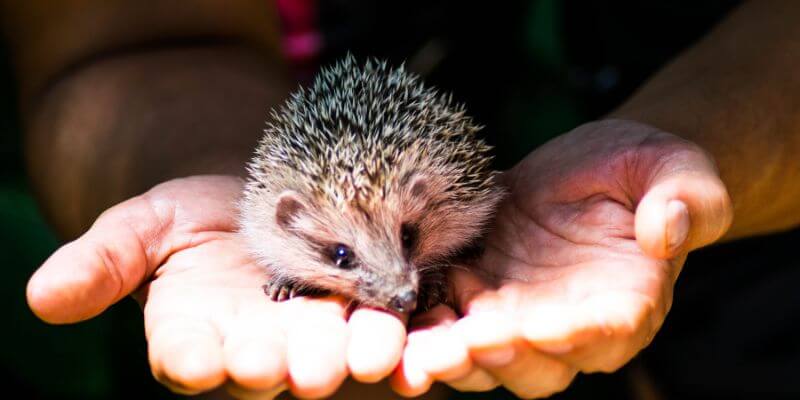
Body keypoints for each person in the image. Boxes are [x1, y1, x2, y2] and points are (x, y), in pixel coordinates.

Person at [8, 0, 800, 398]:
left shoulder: (442, 198)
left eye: (412, 237)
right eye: (340, 259)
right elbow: (131, 40)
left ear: (428, 199)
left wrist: (690, 134)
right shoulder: (275, 221)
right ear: (284, 226)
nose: (395, 283)